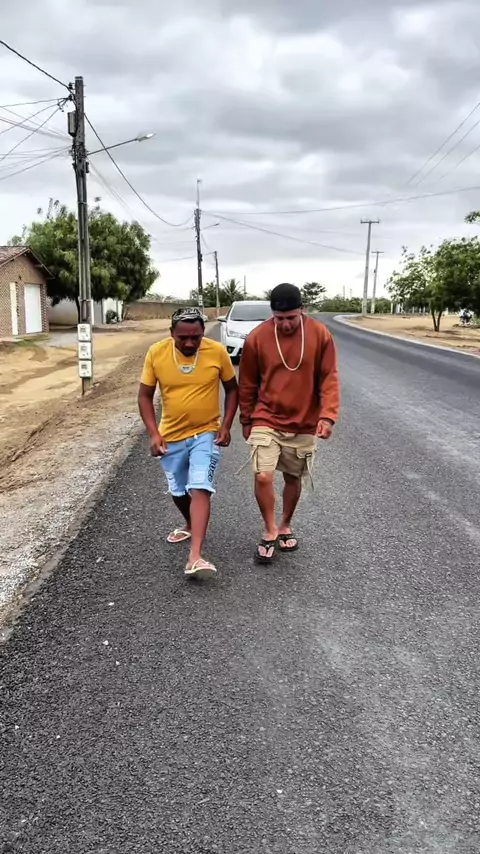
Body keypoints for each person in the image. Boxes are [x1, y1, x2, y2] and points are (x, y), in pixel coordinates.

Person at [238, 283, 340, 563]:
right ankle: (270, 528)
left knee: (293, 477)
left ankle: (285, 524)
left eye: (291, 318)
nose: (284, 324)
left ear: (302, 310)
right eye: (279, 318)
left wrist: (327, 415)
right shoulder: (257, 337)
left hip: (304, 420)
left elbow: (329, 377)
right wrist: (246, 419)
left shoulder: (319, 334)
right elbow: (247, 383)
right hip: (266, 417)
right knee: (263, 475)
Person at [138, 307, 238, 579]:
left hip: (206, 433)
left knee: (200, 486)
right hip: (171, 435)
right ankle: (190, 523)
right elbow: (145, 396)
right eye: (183, 338)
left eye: (196, 337)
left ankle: (195, 557)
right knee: (179, 491)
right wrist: (153, 433)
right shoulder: (156, 353)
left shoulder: (216, 352)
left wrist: (226, 425)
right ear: (172, 333)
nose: (191, 343)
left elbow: (232, 389)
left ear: (203, 332)